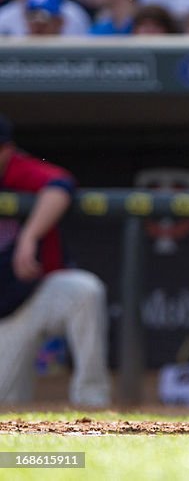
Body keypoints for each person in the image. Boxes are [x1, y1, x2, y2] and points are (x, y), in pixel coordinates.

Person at [0, 113, 110, 406]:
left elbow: (60, 184)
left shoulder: (15, 169)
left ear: (6, 150)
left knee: (84, 291)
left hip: (34, 294)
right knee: (6, 407)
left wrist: (29, 236)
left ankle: (92, 401)